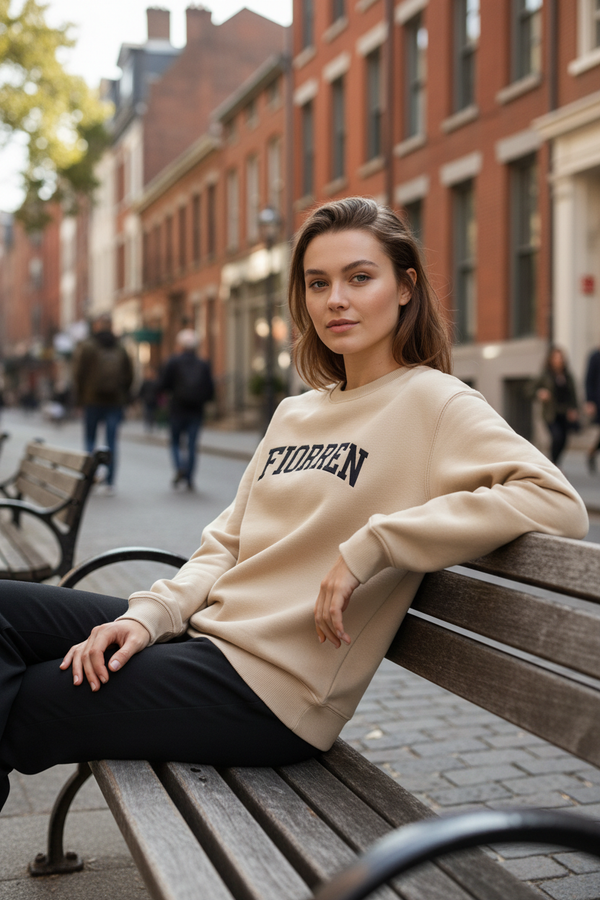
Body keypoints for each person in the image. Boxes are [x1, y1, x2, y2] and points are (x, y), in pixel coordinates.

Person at [0, 198, 588, 811]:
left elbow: (556, 501)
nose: (336, 298)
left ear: (406, 286)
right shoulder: (296, 411)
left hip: (268, 692)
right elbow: (225, 545)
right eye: (318, 283)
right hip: (207, 639)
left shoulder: (435, 403)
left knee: (32, 700)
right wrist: (147, 617)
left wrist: (376, 545)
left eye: (360, 277)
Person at [72, 314, 134, 495]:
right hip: (115, 402)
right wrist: (125, 395)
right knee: (111, 442)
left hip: (91, 400)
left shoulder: (88, 346)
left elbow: (78, 374)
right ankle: (110, 482)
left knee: (90, 440)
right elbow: (130, 375)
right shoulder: (121, 348)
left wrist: (79, 400)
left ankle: (89, 477)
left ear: (97, 326)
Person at [158, 329, 214, 490]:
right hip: (196, 410)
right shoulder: (203, 364)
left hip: (178, 408)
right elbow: (210, 389)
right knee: (191, 444)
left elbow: (163, 384)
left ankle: (180, 467)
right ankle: (189, 477)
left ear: (180, 346)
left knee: (175, 441)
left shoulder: (173, 362)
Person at [533, 345, 579, 467]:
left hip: (564, 413)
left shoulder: (567, 376)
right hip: (550, 414)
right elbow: (529, 389)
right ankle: (553, 465)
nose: (558, 361)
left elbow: (573, 394)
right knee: (557, 437)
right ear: (551, 360)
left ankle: (555, 464)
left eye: (560, 358)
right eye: (556, 358)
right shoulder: (545, 375)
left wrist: (574, 409)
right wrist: (539, 393)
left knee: (564, 440)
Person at [584, 345, 600, 474]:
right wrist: (589, 401)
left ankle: (592, 451)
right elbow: (589, 380)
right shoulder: (595, 356)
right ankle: (592, 452)